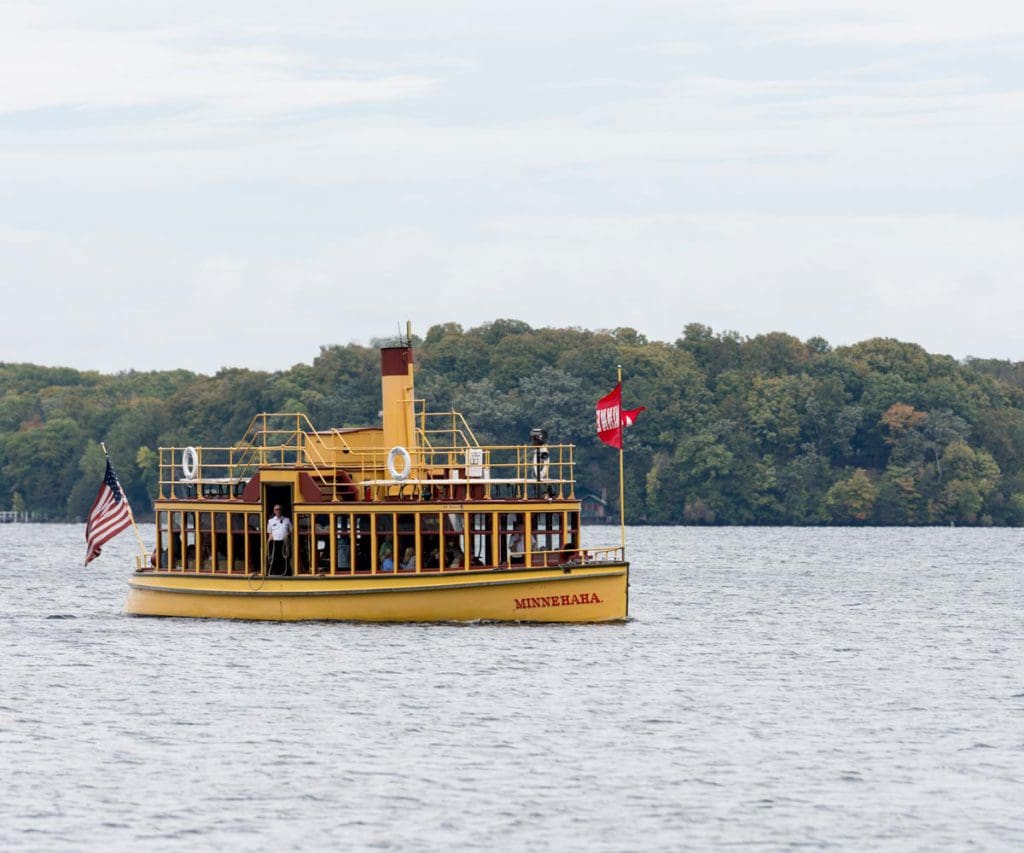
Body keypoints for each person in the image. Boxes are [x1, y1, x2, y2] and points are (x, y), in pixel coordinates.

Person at [266, 504, 292, 576]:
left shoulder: (287, 520)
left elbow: (291, 530)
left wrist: (287, 535)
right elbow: (270, 533)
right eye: (276, 509)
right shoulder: (270, 521)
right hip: (275, 543)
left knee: (285, 559)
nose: (278, 511)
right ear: (274, 511)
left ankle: (286, 574)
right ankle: (275, 573)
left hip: (284, 543)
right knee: (275, 560)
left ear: (282, 510)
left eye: (280, 509)